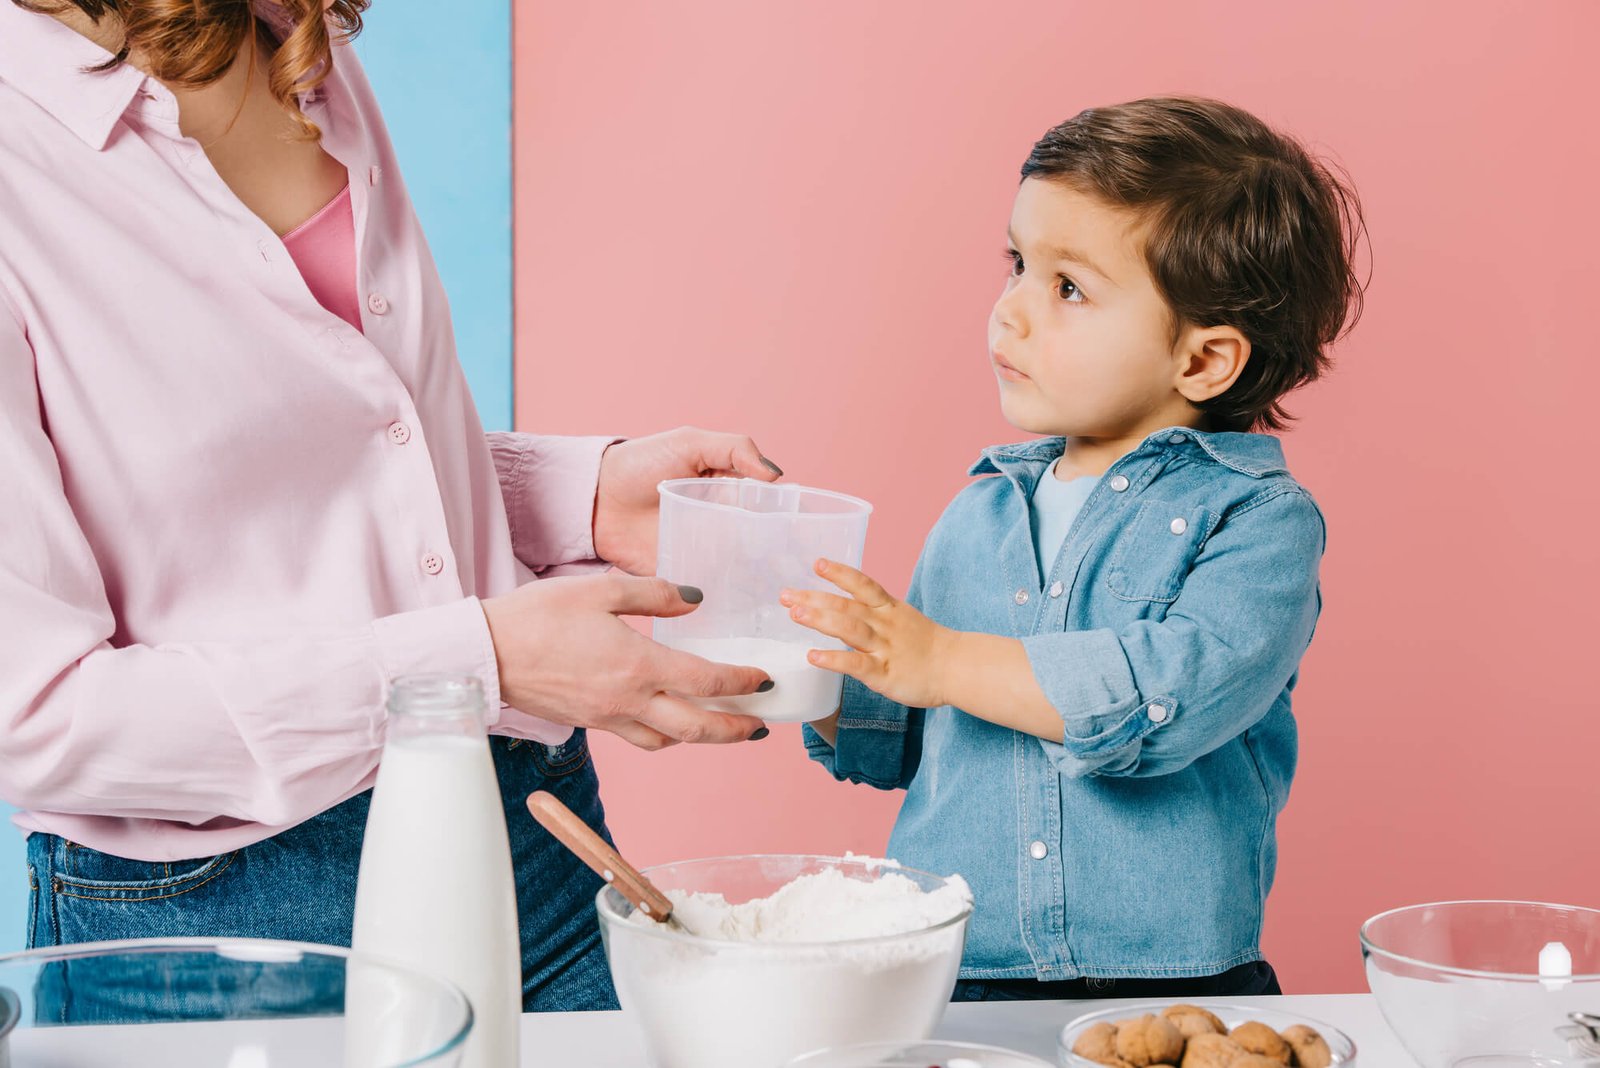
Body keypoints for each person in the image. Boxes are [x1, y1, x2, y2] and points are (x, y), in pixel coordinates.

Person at [0, 0, 777, 1012]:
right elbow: (38, 718)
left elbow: (292, 478)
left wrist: (573, 497)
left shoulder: (288, 37)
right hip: (214, 928)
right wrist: (479, 662)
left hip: (523, 828)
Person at [787, 97, 1364, 1000]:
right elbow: (899, 742)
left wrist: (939, 658)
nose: (1009, 313)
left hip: (1169, 987)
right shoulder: (980, 516)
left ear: (1205, 362)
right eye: (1017, 263)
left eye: (1067, 288)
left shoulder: (1257, 522)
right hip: (953, 974)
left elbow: (1165, 697)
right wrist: (810, 673)